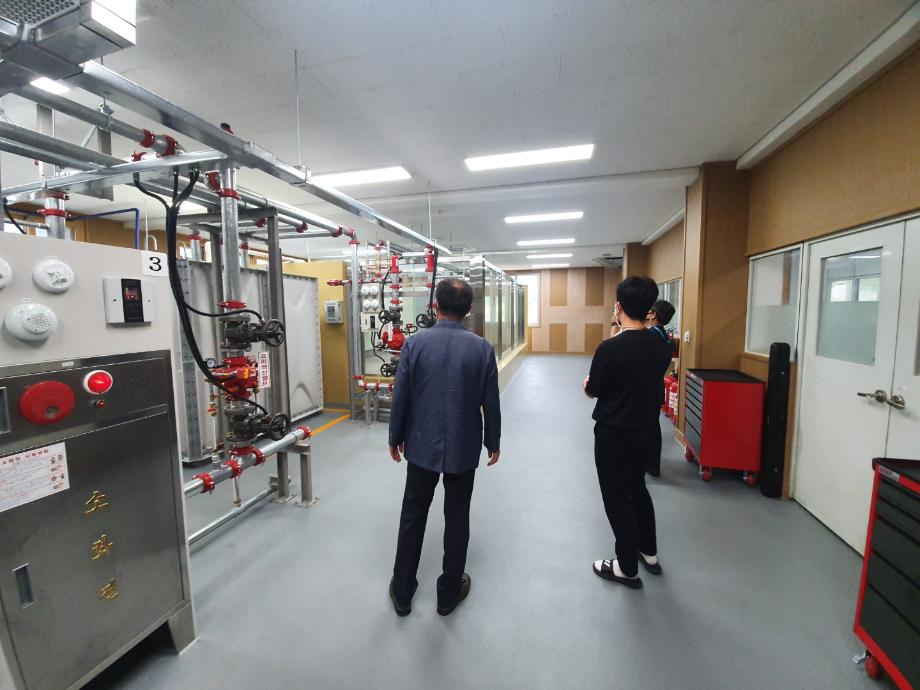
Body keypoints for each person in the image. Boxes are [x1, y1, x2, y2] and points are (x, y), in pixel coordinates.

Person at [388, 277, 501, 616]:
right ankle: (448, 593)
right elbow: (491, 402)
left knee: (412, 515)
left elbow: (401, 395)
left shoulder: (415, 344)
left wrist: (395, 437)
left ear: (435, 306)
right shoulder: (482, 349)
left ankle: (403, 591)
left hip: (421, 445)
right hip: (464, 447)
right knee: (457, 517)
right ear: (469, 310)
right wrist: (493, 441)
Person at [583, 277, 672, 589]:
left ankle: (626, 566)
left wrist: (587, 385)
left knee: (617, 496)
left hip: (614, 434)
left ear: (618, 306)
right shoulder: (662, 345)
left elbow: (594, 389)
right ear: (649, 310)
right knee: (638, 489)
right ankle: (649, 552)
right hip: (646, 429)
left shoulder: (610, 348)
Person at [645, 299, 676, 477]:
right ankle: (652, 465)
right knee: (653, 427)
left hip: (644, 389)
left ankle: (642, 463)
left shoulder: (649, 336)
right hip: (656, 387)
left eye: (650, 310)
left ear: (654, 314)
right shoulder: (665, 338)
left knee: (643, 428)